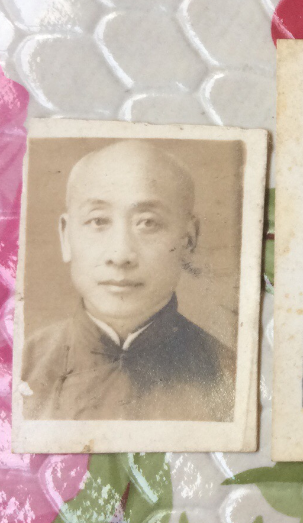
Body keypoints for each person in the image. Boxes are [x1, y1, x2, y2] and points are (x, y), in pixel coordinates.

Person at [22, 140, 235, 421]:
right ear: (66, 236)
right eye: (98, 221)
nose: (120, 255)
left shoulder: (231, 376)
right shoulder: (21, 367)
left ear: (188, 239)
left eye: (148, 223)